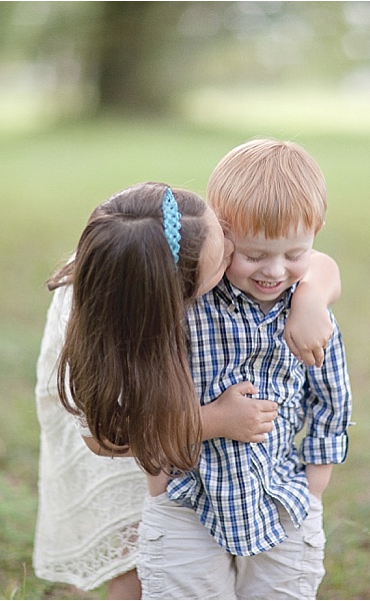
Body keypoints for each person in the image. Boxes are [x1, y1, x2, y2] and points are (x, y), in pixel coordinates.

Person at [33, 181, 341, 598]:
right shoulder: (104, 328)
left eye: (226, 239)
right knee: (136, 550)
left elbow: (311, 260)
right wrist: (213, 419)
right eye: (222, 264)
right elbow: (105, 437)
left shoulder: (182, 231)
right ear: (178, 297)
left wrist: (311, 297)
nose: (234, 256)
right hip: (116, 411)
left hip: (174, 416)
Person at [137, 140, 352, 599]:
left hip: (282, 500)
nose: (273, 271)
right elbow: (146, 386)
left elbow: (331, 400)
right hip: (187, 499)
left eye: (295, 254)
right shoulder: (190, 301)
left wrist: (314, 489)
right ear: (220, 234)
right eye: (254, 255)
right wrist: (158, 483)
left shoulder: (308, 312)